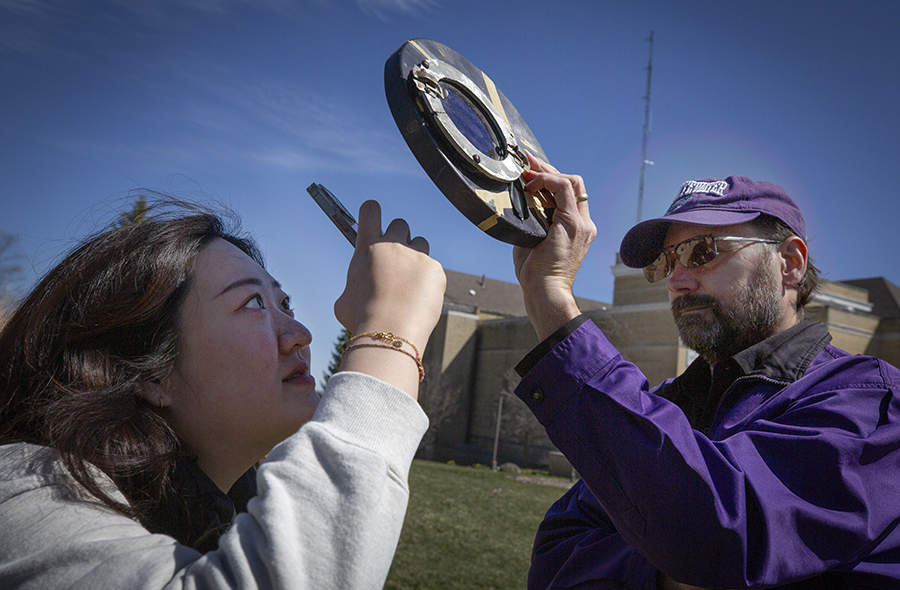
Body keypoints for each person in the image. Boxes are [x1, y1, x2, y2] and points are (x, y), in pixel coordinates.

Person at [0, 196, 446, 589]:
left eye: (284, 303)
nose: (300, 333)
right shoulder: (25, 493)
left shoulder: (229, 508)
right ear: (152, 374)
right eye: (252, 302)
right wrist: (390, 333)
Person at [511, 155, 900, 589]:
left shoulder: (870, 403)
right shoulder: (664, 404)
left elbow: (723, 534)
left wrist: (554, 306)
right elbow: (555, 552)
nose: (677, 280)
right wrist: (666, 575)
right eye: (667, 262)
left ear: (790, 263)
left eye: (702, 251)